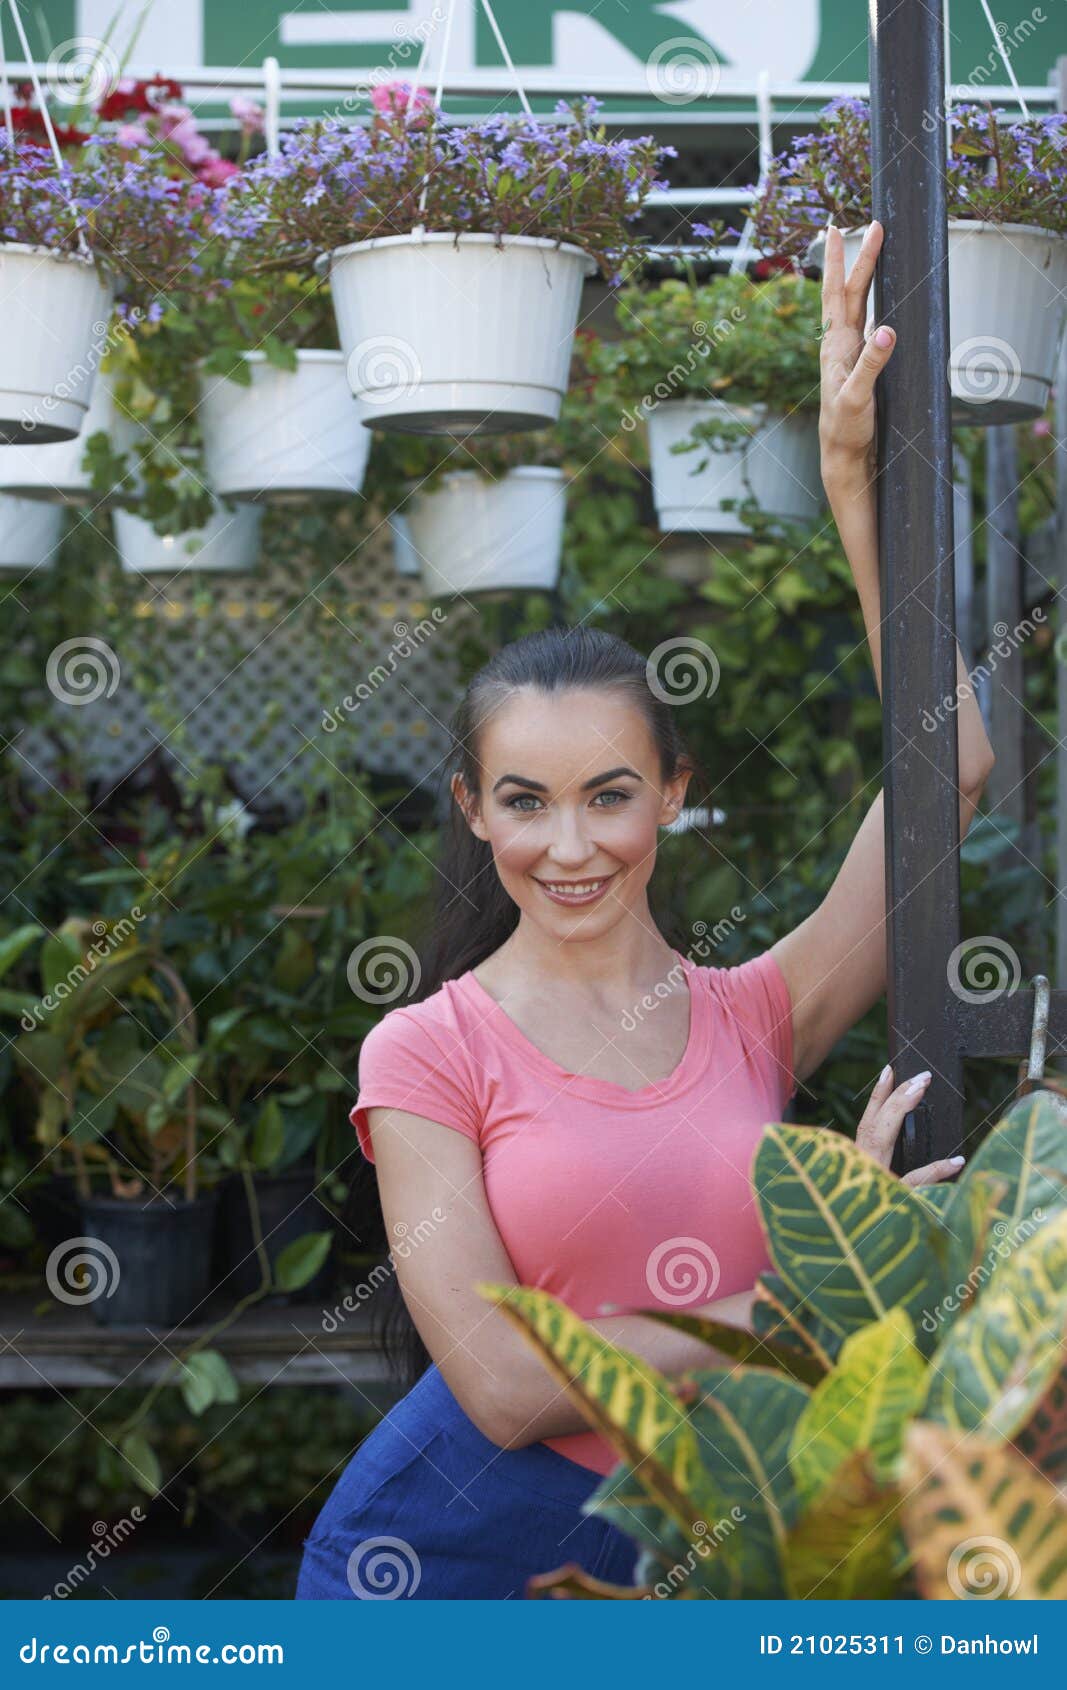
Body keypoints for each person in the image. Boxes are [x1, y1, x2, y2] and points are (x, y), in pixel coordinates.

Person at [295, 221, 994, 1600]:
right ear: (473, 807)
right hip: (445, 1554)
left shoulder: (753, 1013)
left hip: (698, 1540)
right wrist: (807, 1297)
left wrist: (853, 483)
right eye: (527, 801)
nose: (570, 845)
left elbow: (952, 766)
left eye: (609, 795)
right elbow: (498, 1385)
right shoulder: (428, 1050)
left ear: (671, 792)